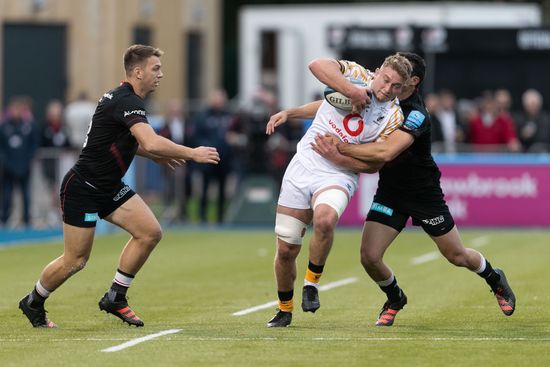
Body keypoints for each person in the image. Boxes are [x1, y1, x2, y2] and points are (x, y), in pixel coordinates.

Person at [18, 44, 220, 328]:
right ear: (138, 72)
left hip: (109, 186)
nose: (160, 74)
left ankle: (116, 296)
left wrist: (155, 155)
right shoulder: (126, 101)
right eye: (155, 68)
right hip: (84, 188)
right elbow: (148, 140)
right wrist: (192, 152)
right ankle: (33, 301)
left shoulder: (125, 98)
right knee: (76, 260)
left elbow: (123, 143)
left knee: (149, 232)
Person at [311, 52, 516, 326]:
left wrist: (340, 148)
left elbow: (385, 152)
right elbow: (331, 101)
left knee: (456, 255)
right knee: (369, 257)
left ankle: (494, 277)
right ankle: (395, 297)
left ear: (412, 81)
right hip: (391, 191)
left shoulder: (416, 114)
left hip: (423, 193)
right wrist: (289, 113)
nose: (389, 83)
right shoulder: (382, 92)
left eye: (400, 79)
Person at [264, 54, 412, 327]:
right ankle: (284, 309)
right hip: (303, 166)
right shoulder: (357, 74)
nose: (387, 88)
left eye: (396, 86)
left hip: (339, 173)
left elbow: (375, 163)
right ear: (377, 71)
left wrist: (339, 155)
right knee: (286, 248)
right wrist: (293, 112)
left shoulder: (393, 116)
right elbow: (318, 69)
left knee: (325, 219)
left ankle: (311, 284)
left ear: (402, 90)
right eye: (386, 79)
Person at [0, 97, 38, 228]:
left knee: (26, 195)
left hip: (24, 167)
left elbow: (33, 145)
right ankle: (4, 219)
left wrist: (28, 160)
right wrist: (5, 161)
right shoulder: (4, 126)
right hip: (8, 168)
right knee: (7, 195)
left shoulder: (28, 126)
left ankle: (26, 220)